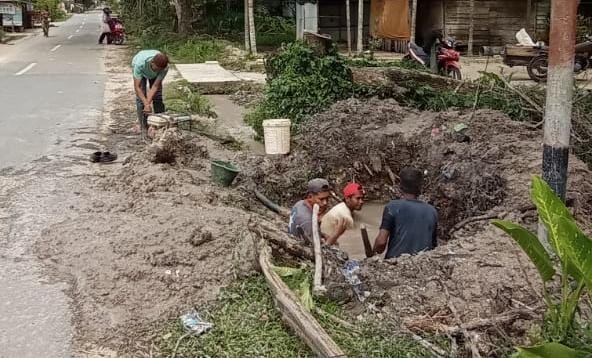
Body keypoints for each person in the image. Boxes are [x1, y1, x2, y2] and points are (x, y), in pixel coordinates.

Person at [373, 167, 438, 259]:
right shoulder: (432, 211)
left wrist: (373, 252)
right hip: (422, 264)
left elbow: (381, 242)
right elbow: (433, 245)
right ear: (420, 188)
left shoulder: (392, 207)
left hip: (396, 264)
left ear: (401, 186)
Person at [131, 50, 169, 141]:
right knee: (140, 100)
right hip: (141, 69)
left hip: (153, 74)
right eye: (156, 69)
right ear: (152, 63)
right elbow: (137, 88)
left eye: (160, 70)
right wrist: (146, 104)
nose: (158, 71)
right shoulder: (140, 64)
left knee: (158, 97)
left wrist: (147, 104)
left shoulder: (164, 68)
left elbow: (155, 86)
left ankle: (161, 124)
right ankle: (144, 127)